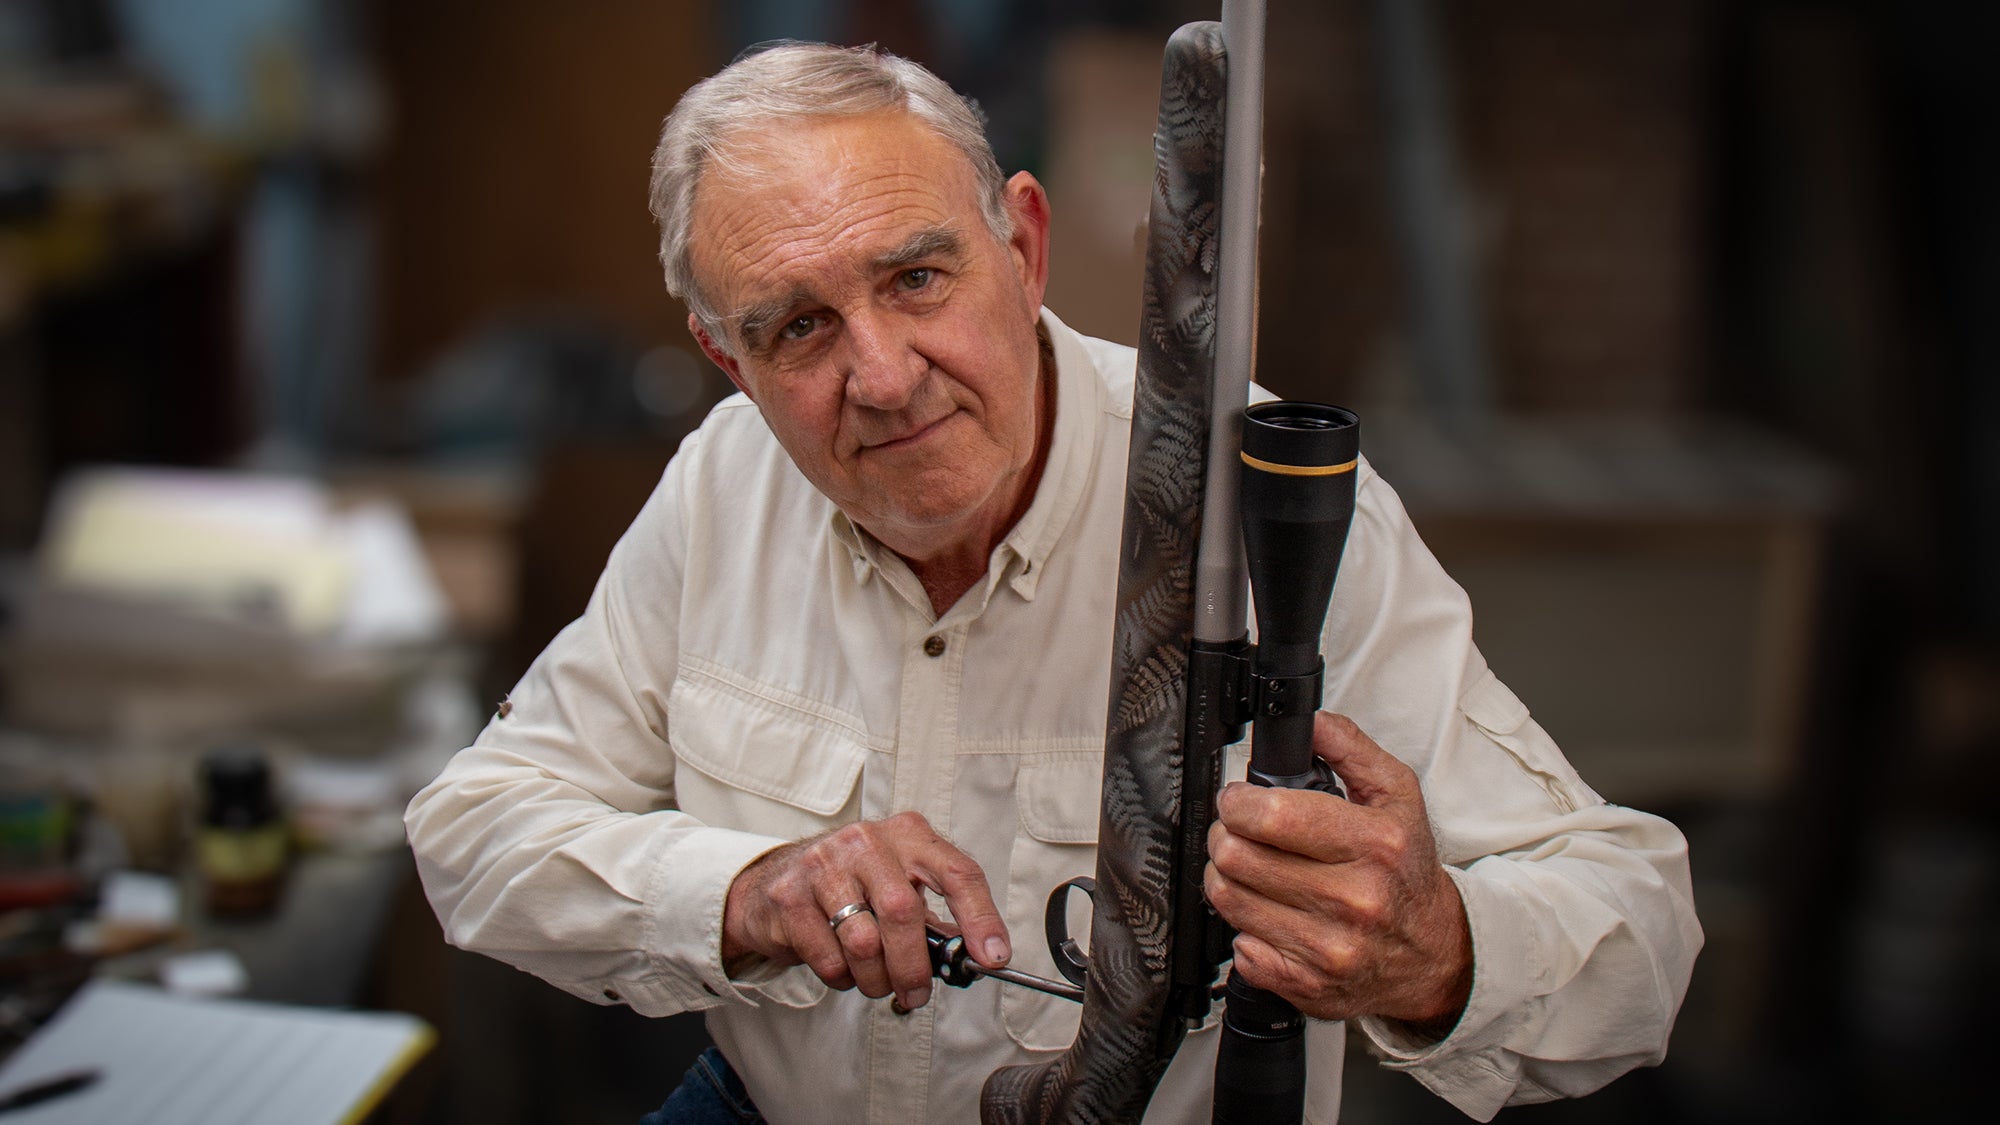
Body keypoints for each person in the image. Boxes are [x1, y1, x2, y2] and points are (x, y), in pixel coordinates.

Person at [404, 41, 1701, 1125]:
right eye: (799, 326)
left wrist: (1439, 949)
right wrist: (746, 891)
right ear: (726, 361)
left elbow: (1636, 932)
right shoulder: (726, 479)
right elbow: (472, 830)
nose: (886, 374)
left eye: (917, 277)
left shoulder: (1266, 510)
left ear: (1022, 246)